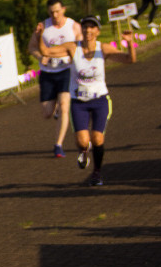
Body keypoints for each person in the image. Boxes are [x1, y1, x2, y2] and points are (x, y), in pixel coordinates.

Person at [36, 15, 136, 186]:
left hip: (100, 100)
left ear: (98, 31)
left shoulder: (103, 49)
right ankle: (83, 151)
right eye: (85, 27)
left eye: (92, 27)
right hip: (79, 102)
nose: (88, 30)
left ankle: (97, 173)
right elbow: (46, 51)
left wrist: (130, 43)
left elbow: (130, 59)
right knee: (83, 141)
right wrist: (39, 36)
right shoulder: (72, 47)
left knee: (97, 139)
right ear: (81, 29)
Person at [27, 0, 83, 158]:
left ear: (63, 9)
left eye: (57, 11)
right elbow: (31, 47)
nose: (55, 15)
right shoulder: (43, 27)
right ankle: (56, 108)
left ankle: (58, 145)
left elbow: (80, 47)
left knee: (65, 105)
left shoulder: (73, 26)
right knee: (47, 113)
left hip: (66, 71)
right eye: (51, 12)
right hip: (48, 73)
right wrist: (40, 57)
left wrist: (72, 57)